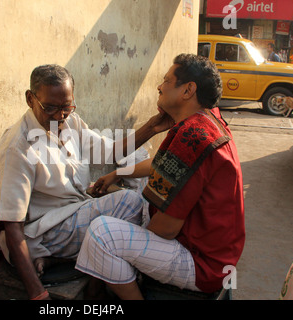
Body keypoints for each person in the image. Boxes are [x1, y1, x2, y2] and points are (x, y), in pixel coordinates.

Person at [0, 64, 172, 300]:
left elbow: (111, 153)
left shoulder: (71, 123)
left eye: (66, 107)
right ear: (30, 99)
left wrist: (151, 127)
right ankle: (97, 286)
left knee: (137, 203)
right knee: (129, 204)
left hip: (76, 214)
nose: (59, 116)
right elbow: (13, 227)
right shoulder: (18, 146)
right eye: (50, 108)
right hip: (48, 231)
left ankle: (92, 275)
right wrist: (38, 294)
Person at [75, 54, 246, 299]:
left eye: (166, 81)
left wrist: (133, 247)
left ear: (188, 90)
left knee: (102, 234)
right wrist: (117, 173)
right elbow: (161, 164)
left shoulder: (192, 137)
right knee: (133, 203)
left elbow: (165, 229)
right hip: (219, 254)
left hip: (202, 264)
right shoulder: (209, 120)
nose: (159, 86)